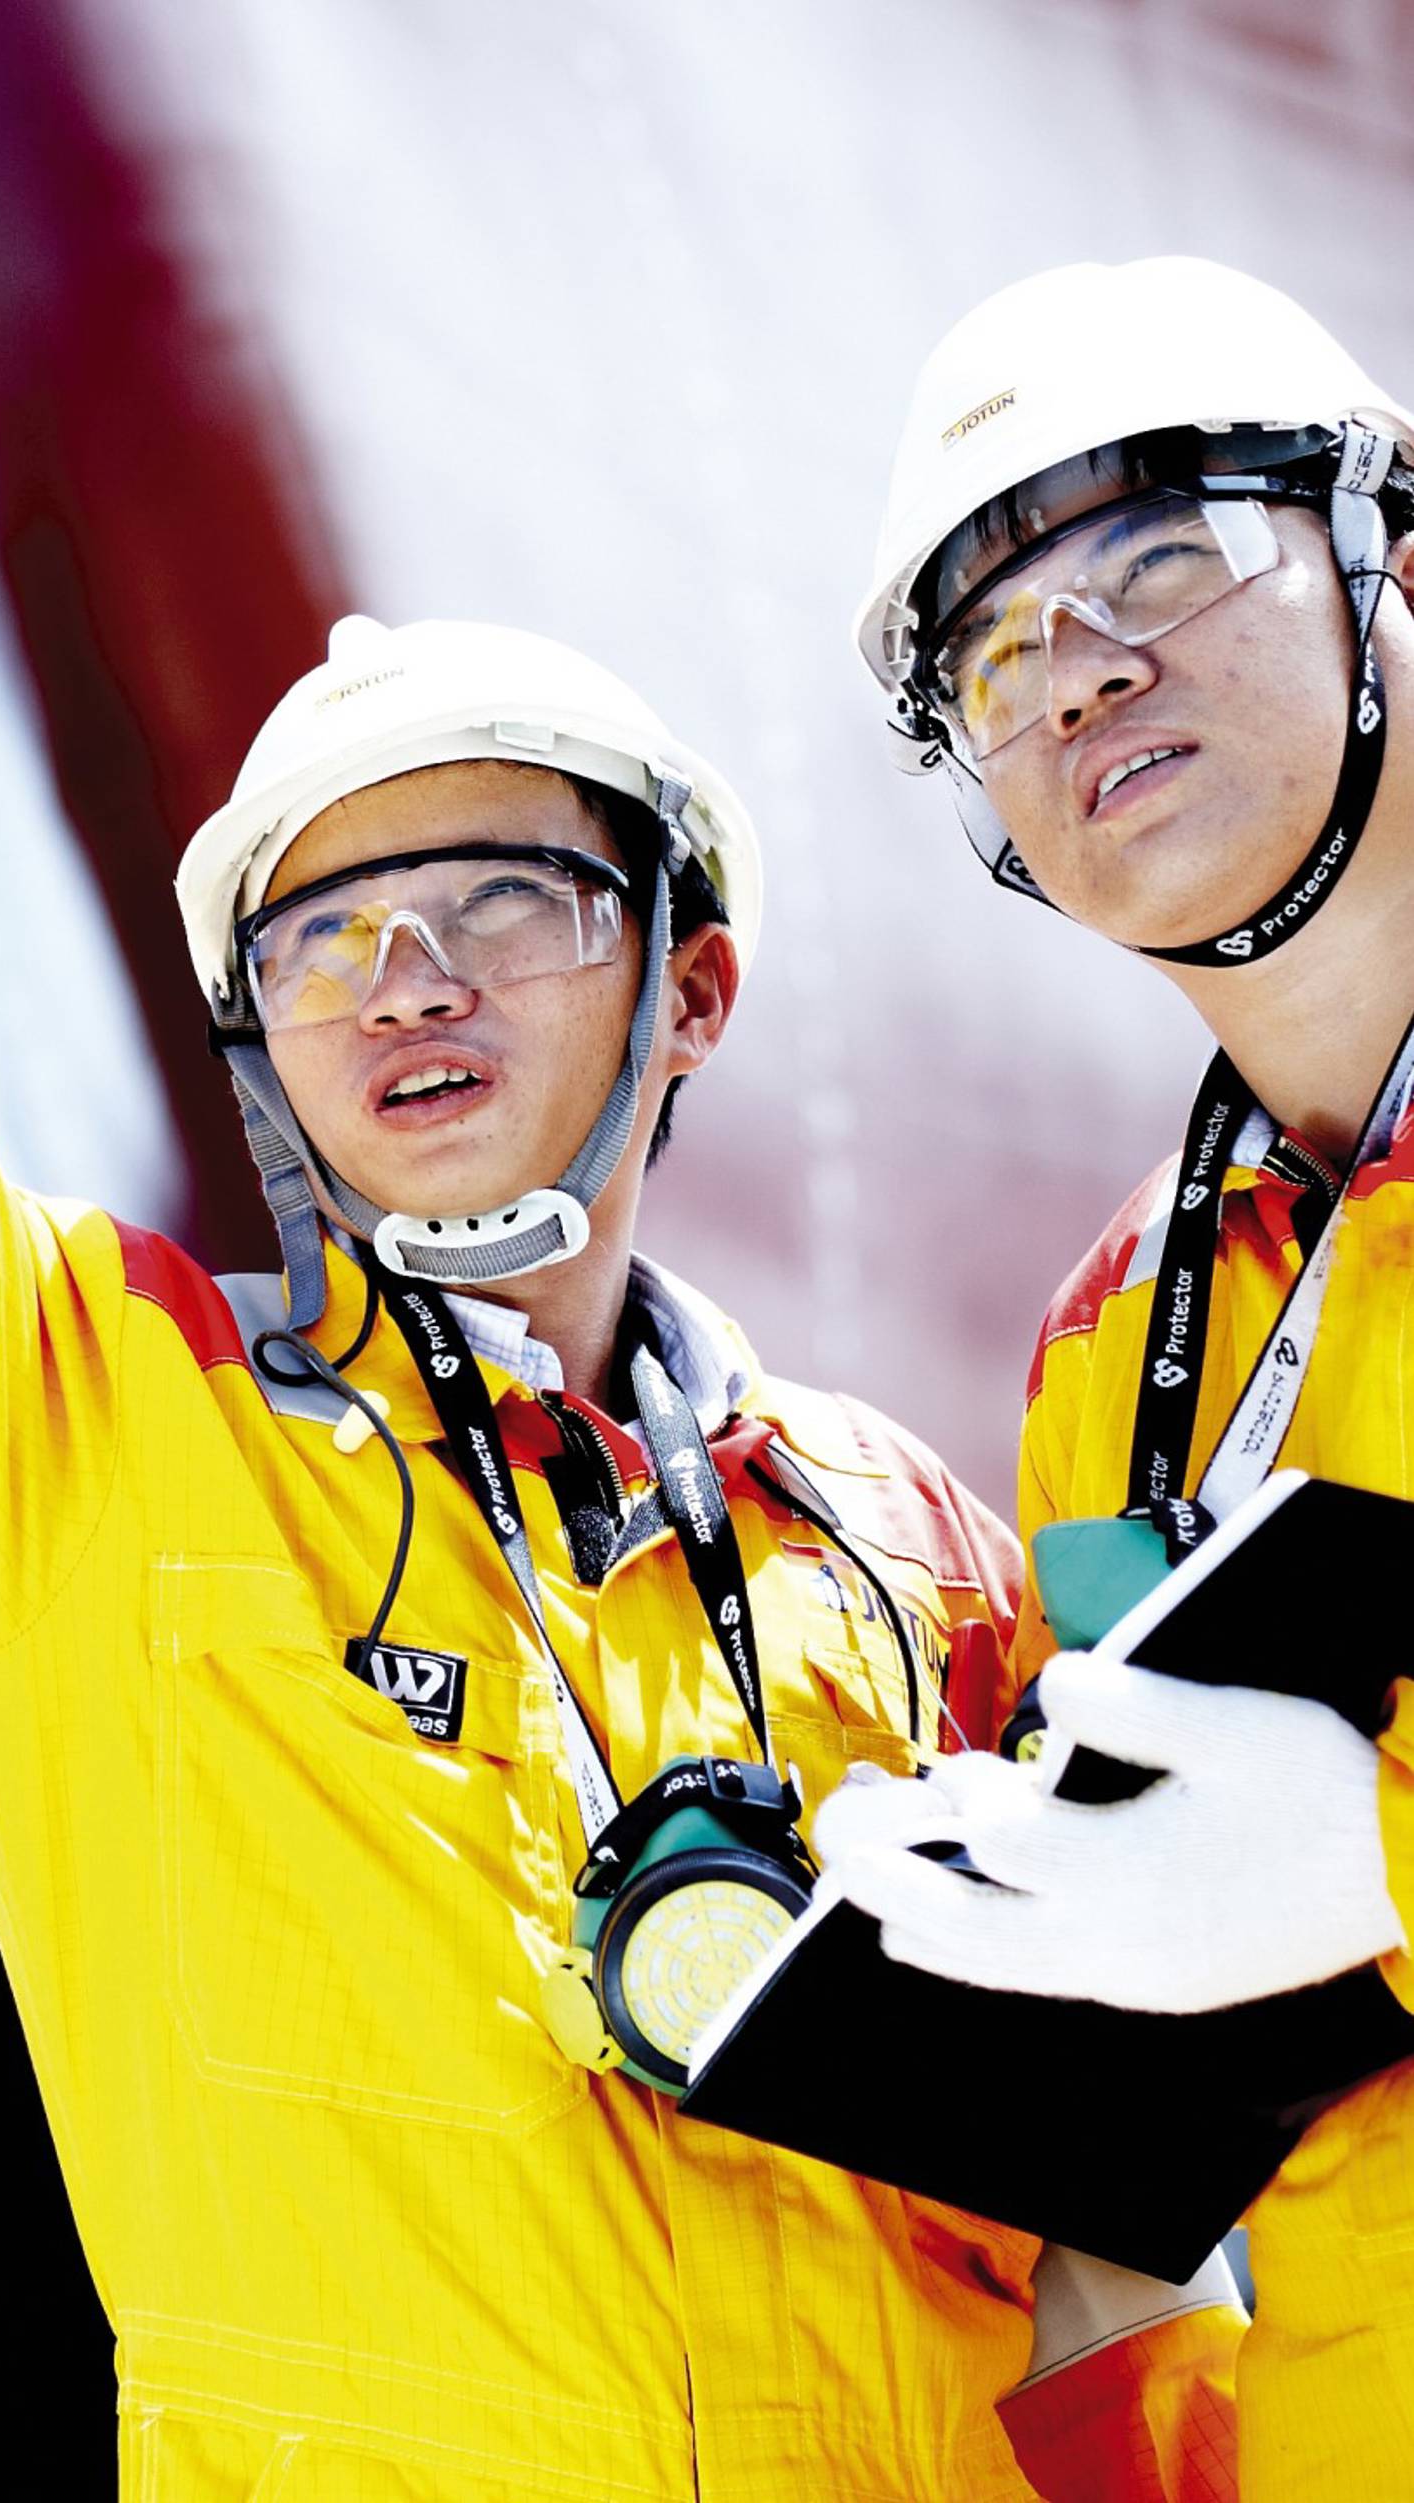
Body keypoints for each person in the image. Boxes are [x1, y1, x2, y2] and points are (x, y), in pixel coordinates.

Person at [0, 187, 1236, 2501]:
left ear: (688, 985)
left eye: (501, 900)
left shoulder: (908, 1553)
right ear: (257, 1046)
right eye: (327, 940)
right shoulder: (81, 1439)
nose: (406, 982)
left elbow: (1110, 2190)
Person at [824, 253, 1414, 2500]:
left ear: (1382, 559)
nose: (1069, 670)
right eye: (986, 655)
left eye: (1157, 555)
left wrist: (1377, 1856)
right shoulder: (1117, 1361)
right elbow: (1144, 2175)